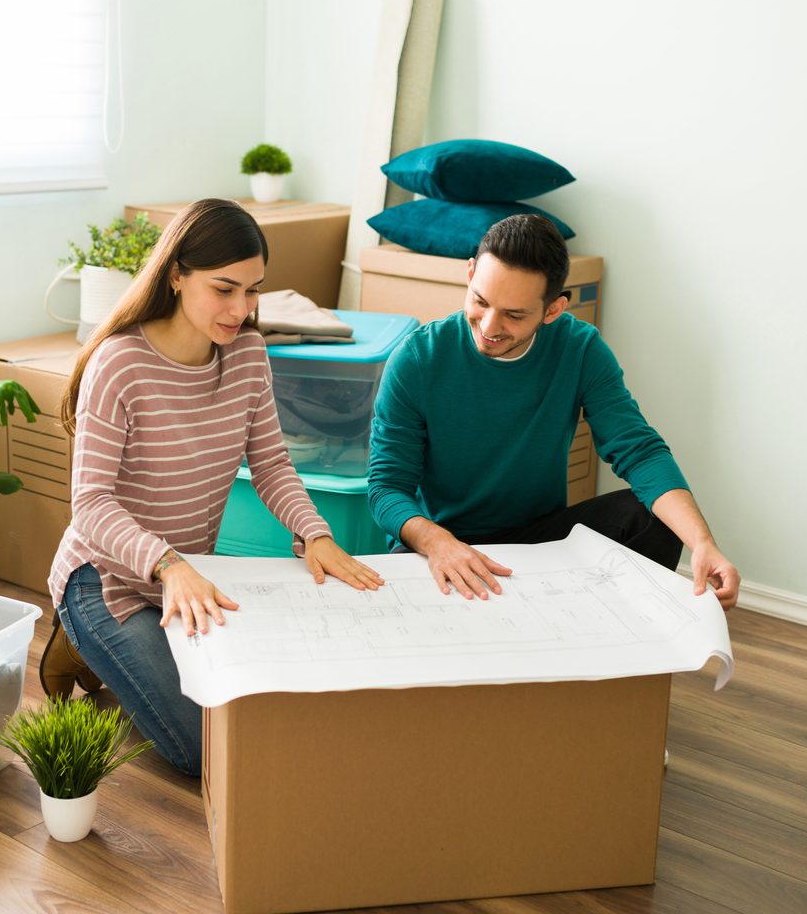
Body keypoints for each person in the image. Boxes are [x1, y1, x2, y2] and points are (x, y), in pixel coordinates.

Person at [40, 198, 384, 776]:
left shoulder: (247, 353)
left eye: (253, 291)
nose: (241, 309)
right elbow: (92, 505)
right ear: (177, 275)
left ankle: (104, 648)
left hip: (192, 577)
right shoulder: (119, 363)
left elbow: (270, 463)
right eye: (224, 289)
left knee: (259, 707)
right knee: (207, 751)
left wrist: (315, 534)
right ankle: (77, 637)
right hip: (106, 580)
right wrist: (168, 564)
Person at [368, 213, 740, 610]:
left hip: (538, 539)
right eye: (480, 301)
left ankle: (617, 636)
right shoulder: (417, 359)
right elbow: (387, 488)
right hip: (441, 540)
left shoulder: (580, 349)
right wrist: (437, 542)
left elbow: (638, 450)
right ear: (470, 273)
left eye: (514, 315)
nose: (489, 327)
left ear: (552, 310)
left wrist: (702, 543)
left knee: (652, 519)